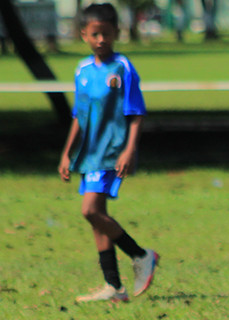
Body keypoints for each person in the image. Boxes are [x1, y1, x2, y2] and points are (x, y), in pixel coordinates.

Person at [58, 2, 158, 303]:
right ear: (84, 35)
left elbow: (136, 113)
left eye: (107, 33)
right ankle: (113, 287)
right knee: (96, 217)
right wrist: (67, 153)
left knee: (89, 210)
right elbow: (79, 114)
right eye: (94, 34)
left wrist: (129, 149)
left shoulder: (122, 67)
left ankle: (141, 255)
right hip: (89, 153)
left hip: (112, 151)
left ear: (117, 32)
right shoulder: (83, 70)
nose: (101, 40)